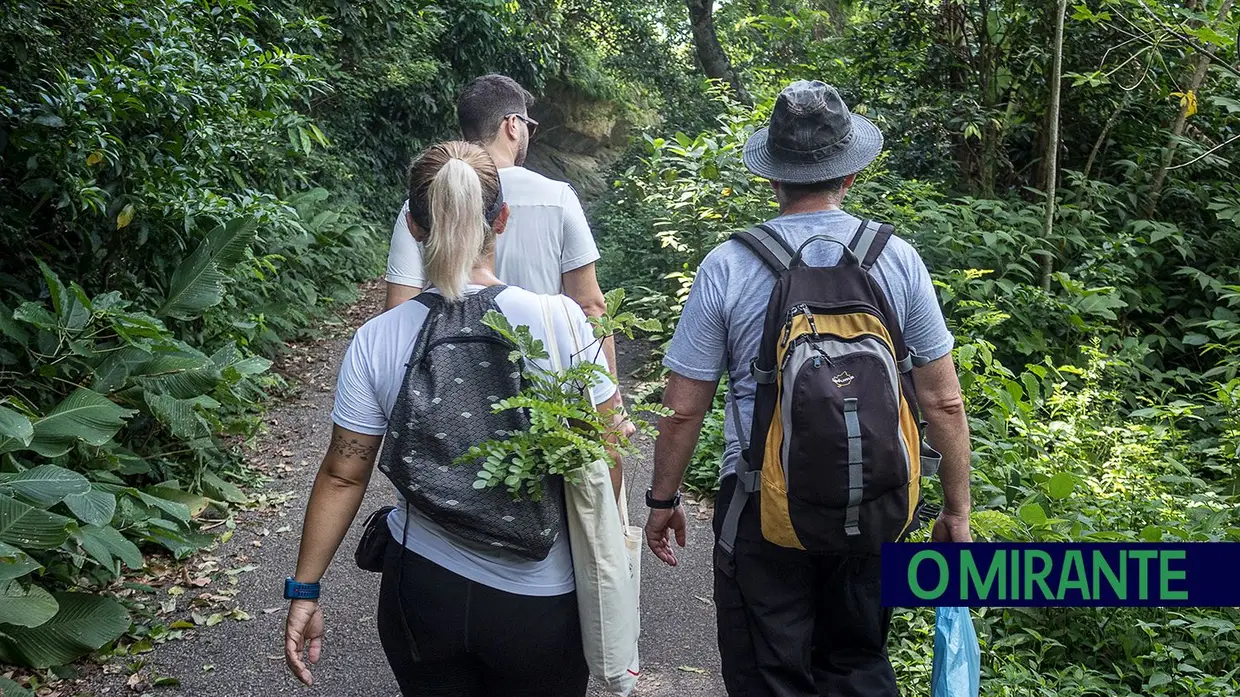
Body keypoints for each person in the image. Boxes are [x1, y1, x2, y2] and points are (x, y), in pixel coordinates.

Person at [642, 81, 974, 697]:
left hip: (759, 510)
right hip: (877, 505)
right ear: (848, 174)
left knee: (770, 674)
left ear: (774, 176)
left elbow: (684, 410)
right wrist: (956, 510)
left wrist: (662, 502)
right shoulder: (896, 258)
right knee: (858, 662)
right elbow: (943, 400)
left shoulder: (729, 264)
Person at [284, 141, 620, 697]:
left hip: (421, 590)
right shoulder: (560, 321)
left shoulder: (377, 339)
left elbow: (344, 474)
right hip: (540, 597)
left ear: (414, 227)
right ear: (502, 219)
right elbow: (605, 460)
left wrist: (305, 591)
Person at [383, 74, 619, 386]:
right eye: (528, 126)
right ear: (512, 124)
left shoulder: (423, 203)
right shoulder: (558, 197)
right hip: (542, 387)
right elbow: (590, 306)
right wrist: (609, 403)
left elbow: (399, 311)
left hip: (447, 390)